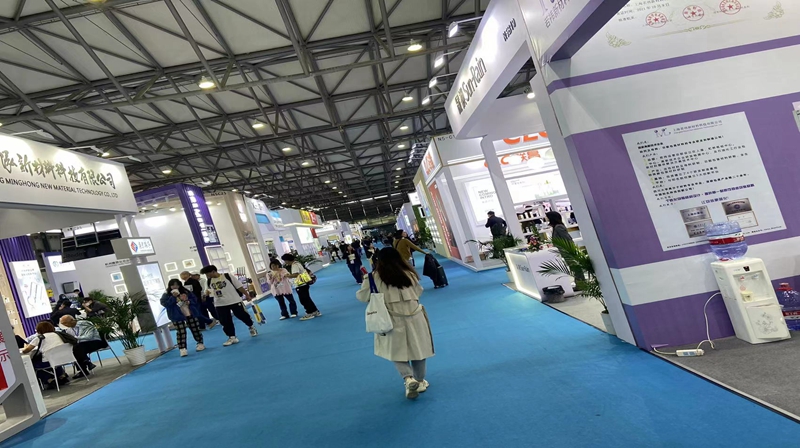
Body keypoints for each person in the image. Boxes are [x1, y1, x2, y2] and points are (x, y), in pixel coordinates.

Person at [356, 247, 434, 400]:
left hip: (390, 318)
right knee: (418, 348)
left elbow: (362, 297)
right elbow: (418, 292)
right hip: (415, 316)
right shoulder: (410, 274)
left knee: (396, 350)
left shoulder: (373, 277)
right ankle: (420, 380)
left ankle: (408, 378)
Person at [199, 265, 258, 346]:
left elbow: (239, 287)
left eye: (208, 273)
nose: (207, 275)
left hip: (234, 300)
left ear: (213, 271)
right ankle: (232, 336)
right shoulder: (209, 281)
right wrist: (206, 295)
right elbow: (209, 291)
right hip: (220, 303)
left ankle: (251, 326)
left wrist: (247, 295)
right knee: (225, 321)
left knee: (242, 315)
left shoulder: (227, 276)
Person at [160, 279, 205, 356]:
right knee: (181, 331)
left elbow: (194, 299)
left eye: (177, 285)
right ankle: (182, 348)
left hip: (189, 312)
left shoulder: (186, 291)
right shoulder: (166, 294)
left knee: (195, 328)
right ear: (170, 286)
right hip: (176, 315)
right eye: (173, 285)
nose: (175, 286)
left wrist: (189, 301)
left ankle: (200, 343)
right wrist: (173, 297)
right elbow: (165, 304)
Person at [281, 254, 321, 321]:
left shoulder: (294, 265)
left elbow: (296, 274)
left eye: (285, 260)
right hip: (304, 284)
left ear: (287, 260)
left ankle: (309, 313)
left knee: (303, 300)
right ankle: (315, 311)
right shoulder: (297, 263)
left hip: (300, 284)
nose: (285, 262)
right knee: (307, 298)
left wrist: (287, 276)